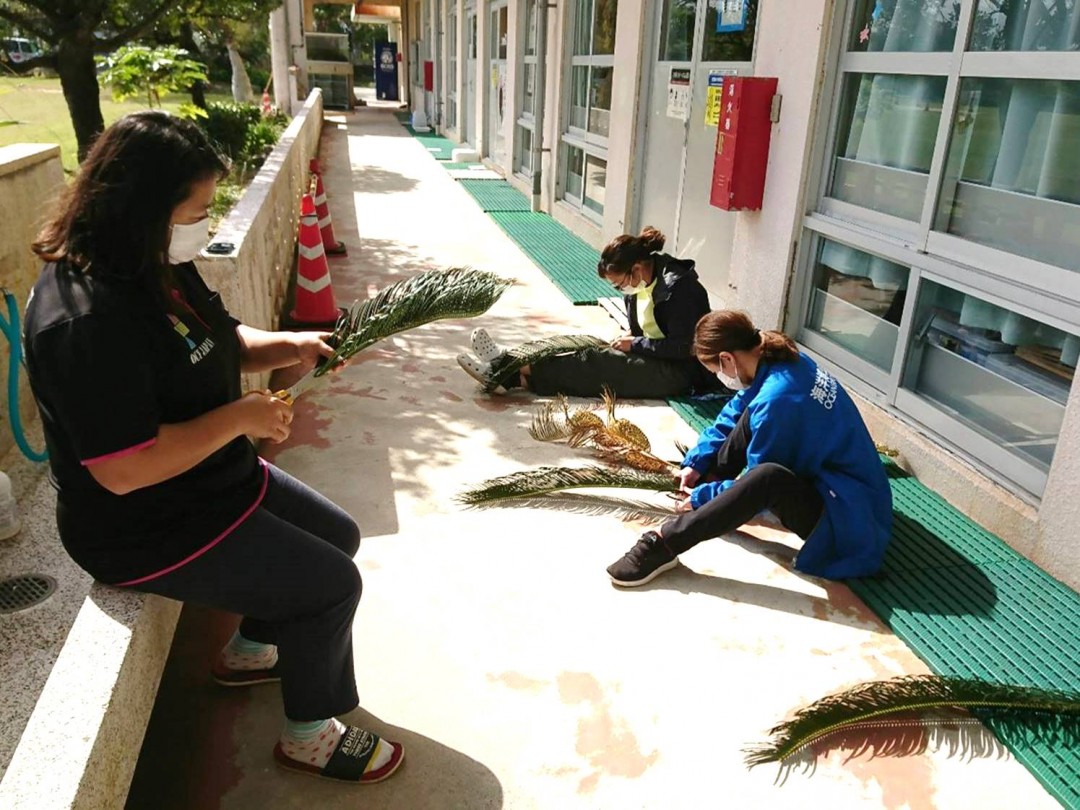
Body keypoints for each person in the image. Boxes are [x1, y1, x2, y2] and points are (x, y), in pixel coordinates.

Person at [22, 111, 404, 784]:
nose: (203, 224)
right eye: (195, 210)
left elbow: (218, 338)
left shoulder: (151, 262)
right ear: (142, 208)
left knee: (338, 534)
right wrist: (239, 418)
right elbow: (124, 469)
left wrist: (293, 344)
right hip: (146, 526)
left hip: (209, 481)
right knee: (329, 587)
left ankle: (251, 651)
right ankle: (309, 733)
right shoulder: (84, 319)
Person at [605, 310, 893, 587]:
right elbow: (739, 408)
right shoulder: (785, 361)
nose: (721, 377)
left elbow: (757, 485)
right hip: (850, 487)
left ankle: (665, 542)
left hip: (850, 520)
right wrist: (698, 461)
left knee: (768, 478)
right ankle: (714, 484)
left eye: (716, 370)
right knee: (747, 416)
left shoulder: (777, 402)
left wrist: (704, 497)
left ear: (727, 359)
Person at [456, 226, 724, 399]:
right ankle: (513, 374)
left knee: (598, 363)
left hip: (682, 374)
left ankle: (504, 365)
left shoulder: (681, 289)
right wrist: (633, 338)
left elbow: (687, 347)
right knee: (583, 350)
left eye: (620, 284)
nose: (622, 290)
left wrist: (636, 344)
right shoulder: (640, 284)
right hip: (655, 356)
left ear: (638, 268)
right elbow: (647, 328)